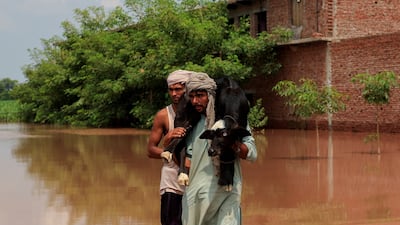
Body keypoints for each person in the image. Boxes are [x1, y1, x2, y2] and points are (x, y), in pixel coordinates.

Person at [181, 72, 257, 225]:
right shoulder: (190, 122)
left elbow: (252, 153)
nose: (195, 101)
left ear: (211, 95)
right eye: (192, 96)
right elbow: (185, 159)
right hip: (198, 195)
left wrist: (232, 142)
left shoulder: (232, 121)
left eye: (200, 95)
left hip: (227, 192)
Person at [147, 70, 194, 225]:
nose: (174, 94)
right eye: (171, 90)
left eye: (178, 89)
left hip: (195, 178)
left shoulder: (198, 113)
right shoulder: (163, 115)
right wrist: (167, 145)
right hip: (171, 181)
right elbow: (151, 150)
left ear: (187, 89)